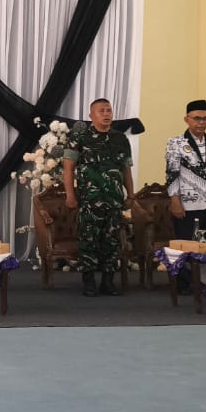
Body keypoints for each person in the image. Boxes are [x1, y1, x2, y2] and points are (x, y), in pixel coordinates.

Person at [63, 98, 135, 297]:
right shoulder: (79, 138)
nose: (106, 114)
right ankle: (89, 282)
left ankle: (108, 282)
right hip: (89, 200)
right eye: (101, 111)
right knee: (88, 240)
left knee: (111, 241)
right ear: (91, 115)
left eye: (109, 110)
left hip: (114, 200)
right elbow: (68, 169)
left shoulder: (121, 139)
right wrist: (70, 195)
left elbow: (126, 169)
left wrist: (131, 194)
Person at [166, 99, 206, 240]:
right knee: (189, 244)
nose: (201, 122)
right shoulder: (176, 142)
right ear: (186, 119)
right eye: (197, 118)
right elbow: (172, 173)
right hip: (188, 204)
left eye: (205, 118)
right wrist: (174, 200)